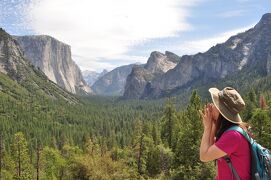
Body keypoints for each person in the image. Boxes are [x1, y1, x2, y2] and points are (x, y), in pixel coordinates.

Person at [199, 87, 251, 180]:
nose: (211, 105)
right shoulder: (231, 131)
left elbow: (204, 156)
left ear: (221, 112)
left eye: (215, 104)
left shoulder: (233, 136)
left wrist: (207, 128)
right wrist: (213, 124)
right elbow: (210, 148)